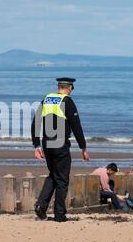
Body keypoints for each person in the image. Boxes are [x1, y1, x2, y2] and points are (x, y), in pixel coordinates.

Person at [31, 77, 90, 222]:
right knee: (62, 179)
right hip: (60, 144)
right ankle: (59, 215)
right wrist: (83, 147)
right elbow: (76, 126)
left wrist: (36, 145)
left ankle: (41, 206)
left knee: (53, 175)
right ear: (69, 88)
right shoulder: (66, 101)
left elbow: (36, 122)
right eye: (72, 89)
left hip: (47, 144)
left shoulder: (47, 99)